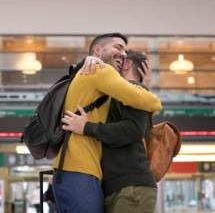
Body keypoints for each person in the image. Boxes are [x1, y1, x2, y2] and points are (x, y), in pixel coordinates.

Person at [52, 33, 162, 213]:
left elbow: (133, 126)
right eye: (118, 47)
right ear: (97, 50)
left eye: (125, 50)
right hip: (81, 170)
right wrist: (149, 95)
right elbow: (151, 102)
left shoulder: (105, 86)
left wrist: (142, 86)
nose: (123, 54)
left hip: (88, 173)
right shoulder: (100, 70)